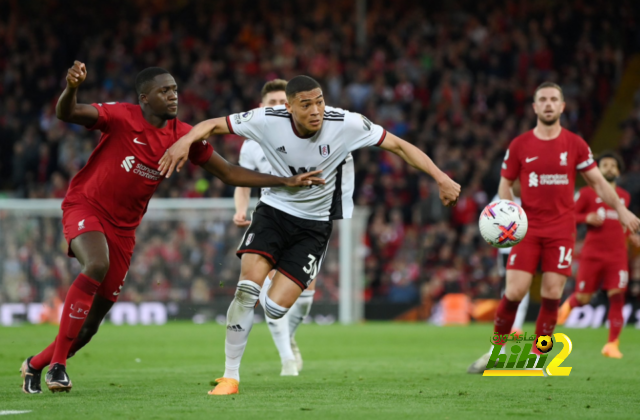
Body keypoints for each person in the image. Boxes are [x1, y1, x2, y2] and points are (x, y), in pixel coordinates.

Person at [20, 62, 323, 394]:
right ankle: (58, 368)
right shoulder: (121, 117)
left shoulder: (184, 136)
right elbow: (68, 113)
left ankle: (35, 365)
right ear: (144, 98)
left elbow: (230, 173)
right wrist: (72, 87)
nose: (173, 95)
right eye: (164, 91)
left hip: (125, 229)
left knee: (90, 326)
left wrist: (285, 181)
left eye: (175, 89)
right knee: (96, 264)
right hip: (86, 206)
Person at [159, 75, 461, 395]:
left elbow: (398, 145)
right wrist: (183, 141)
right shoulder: (265, 120)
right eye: (306, 105)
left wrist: (440, 177)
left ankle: (274, 309)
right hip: (273, 212)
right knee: (246, 289)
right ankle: (230, 376)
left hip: (314, 225)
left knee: (275, 309)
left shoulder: (346, 123)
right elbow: (212, 124)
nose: (316, 110)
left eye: (319, 101)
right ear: (289, 108)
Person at [467, 82, 640, 373]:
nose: (548, 104)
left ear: (562, 107)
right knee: (514, 292)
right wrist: (508, 217)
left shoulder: (575, 144)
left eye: (554, 100)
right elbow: (505, 184)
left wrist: (621, 208)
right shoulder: (520, 145)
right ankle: (495, 351)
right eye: (543, 100)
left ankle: (538, 356)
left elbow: (598, 182)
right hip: (528, 230)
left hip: (562, 230)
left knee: (551, 295)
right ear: (535, 107)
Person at [233, 79, 316, 376]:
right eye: (272, 103)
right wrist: (240, 209)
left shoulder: (310, 133)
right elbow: (242, 181)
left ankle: (289, 337)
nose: (279, 107)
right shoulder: (252, 143)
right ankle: (287, 361)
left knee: (304, 300)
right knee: (262, 289)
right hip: (272, 219)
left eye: (284, 102)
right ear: (261, 107)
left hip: (310, 223)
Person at [557, 151, 640, 358]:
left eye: (614, 165)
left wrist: (632, 236)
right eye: (605, 165)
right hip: (592, 254)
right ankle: (568, 305)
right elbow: (569, 215)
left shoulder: (624, 196)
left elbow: (623, 222)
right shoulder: (586, 193)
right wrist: (587, 217)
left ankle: (612, 344)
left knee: (617, 296)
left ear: (619, 172)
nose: (610, 168)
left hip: (618, 256)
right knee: (583, 297)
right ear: (598, 170)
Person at [491, 182, 529, 336]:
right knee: (508, 288)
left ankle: (516, 326)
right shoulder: (499, 197)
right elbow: (488, 223)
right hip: (506, 250)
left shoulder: (531, 197)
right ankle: (506, 323)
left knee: (523, 287)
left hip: (527, 249)